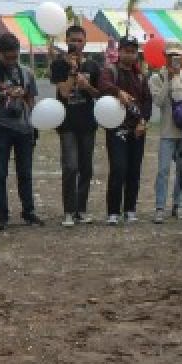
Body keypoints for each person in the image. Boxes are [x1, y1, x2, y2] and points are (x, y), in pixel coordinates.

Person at [0, 33, 42, 229]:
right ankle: (2, 215)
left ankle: (29, 211)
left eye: (15, 56)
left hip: (24, 128)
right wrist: (5, 93)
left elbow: (31, 99)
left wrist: (33, 121)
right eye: (7, 57)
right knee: (0, 173)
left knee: (25, 172)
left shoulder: (26, 72)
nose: (11, 61)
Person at [51, 25, 102, 226]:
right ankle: (69, 212)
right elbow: (63, 92)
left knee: (86, 168)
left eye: (80, 40)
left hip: (88, 123)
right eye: (72, 40)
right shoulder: (58, 65)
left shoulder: (92, 66)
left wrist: (87, 86)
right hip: (67, 124)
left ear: (85, 43)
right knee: (70, 166)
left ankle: (81, 210)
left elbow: (99, 94)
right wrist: (72, 73)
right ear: (66, 41)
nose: (76, 44)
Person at [98, 36, 152, 225]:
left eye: (133, 51)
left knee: (134, 171)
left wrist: (143, 121)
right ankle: (113, 211)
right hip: (116, 129)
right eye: (126, 51)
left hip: (137, 130)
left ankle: (130, 209)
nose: (130, 55)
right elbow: (103, 86)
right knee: (118, 169)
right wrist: (117, 92)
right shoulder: (110, 71)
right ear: (119, 52)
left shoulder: (141, 76)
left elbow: (147, 102)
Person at [149, 43, 182, 222]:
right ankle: (160, 207)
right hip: (167, 132)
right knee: (163, 170)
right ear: (164, 56)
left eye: (176, 56)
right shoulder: (156, 78)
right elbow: (159, 102)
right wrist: (168, 80)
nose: (173, 59)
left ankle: (179, 205)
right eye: (170, 56)